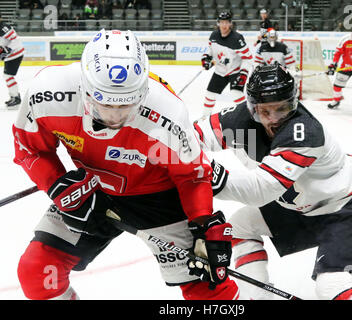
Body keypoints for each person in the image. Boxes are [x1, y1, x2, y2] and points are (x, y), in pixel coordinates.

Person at [12, 29, 240, 300]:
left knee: (210, 288)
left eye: (126, 106)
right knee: (37, 271)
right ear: (84, 88)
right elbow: (29, 147)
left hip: (158, 197)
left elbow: (192, 175)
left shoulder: (167, 112)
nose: (114, 117)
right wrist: (55, 184)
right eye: (104, 105)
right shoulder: (47, 93)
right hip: (92, 192)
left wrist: (204, 223)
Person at [193, 63, 352, 300]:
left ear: (294, 103)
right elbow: (189, 138)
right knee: (238, 228)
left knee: (332, 286)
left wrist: (207, 176)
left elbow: (262, 189)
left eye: (282, 109)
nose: (274, 119)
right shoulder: (239, 120)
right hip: (299, 207)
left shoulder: (304, 131)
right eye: (264, 111)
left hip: (346, 209)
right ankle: (257, 297)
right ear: (251, 108)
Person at [201, 11, 253, 118]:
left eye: (226, 22)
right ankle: (205, 118)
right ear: (218, 23)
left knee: (236, 94)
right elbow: (210, 51)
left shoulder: (237, 39)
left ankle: (246, 118)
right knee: (210, 94)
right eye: (221, 22)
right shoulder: (214, 35)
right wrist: (206, 59)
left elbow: (248, 58)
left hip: (235, 71)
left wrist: (243, 73)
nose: (224, 25)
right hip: (220, 71)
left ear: (230, 24)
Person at [0, 15, 24, 109]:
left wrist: (7, 50)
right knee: (7, 76)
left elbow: (15, 40)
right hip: (11, 55)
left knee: (8, 76)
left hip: (15, 55)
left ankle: (16, 97)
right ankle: (14, 96)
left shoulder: (3, 27)